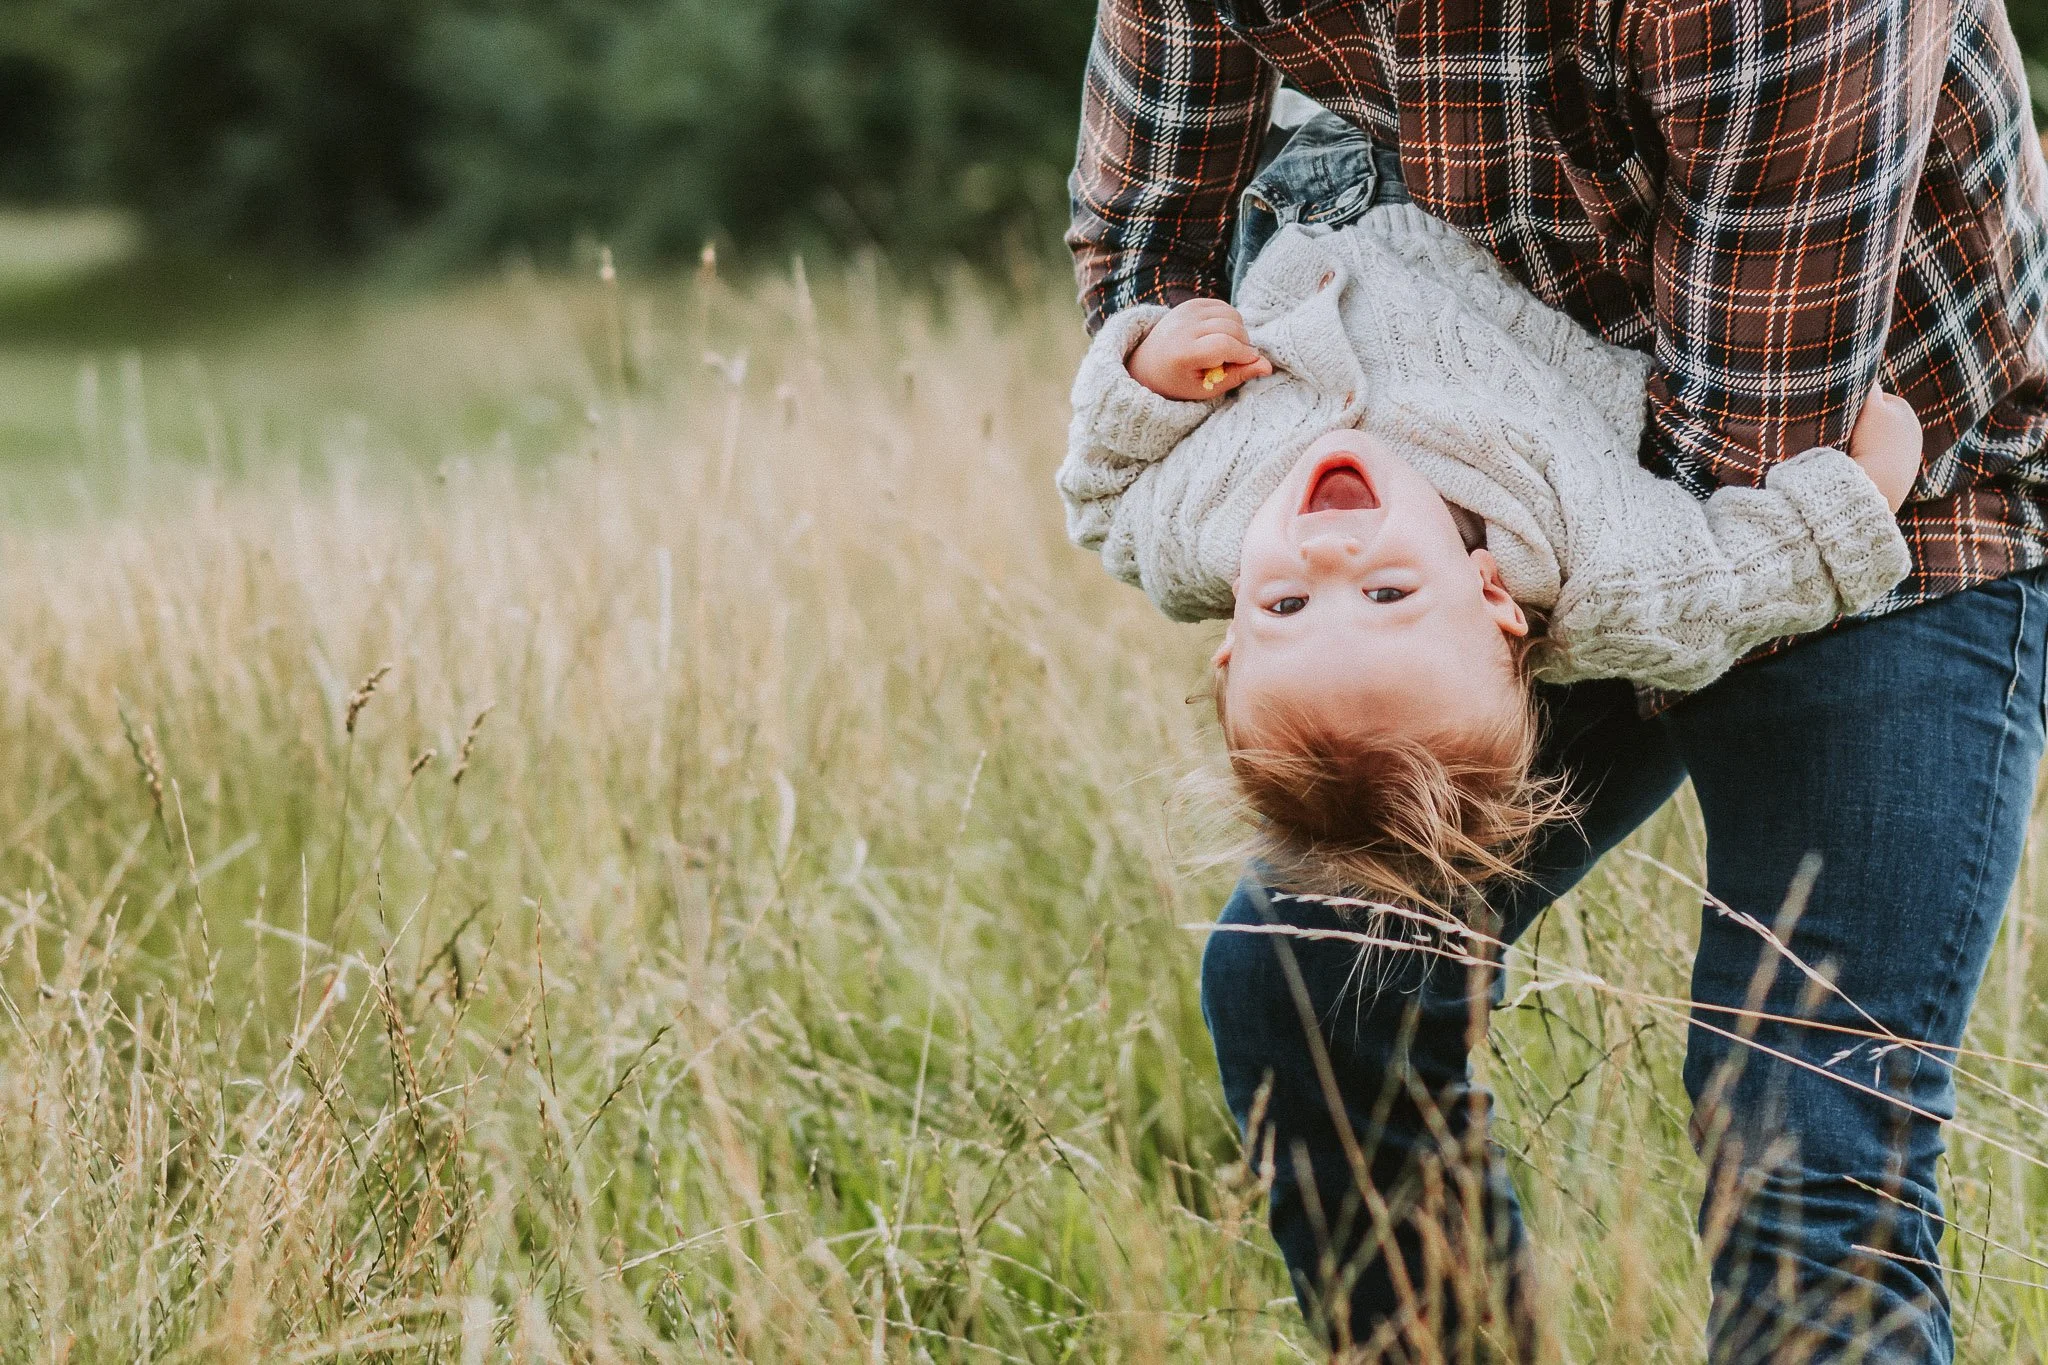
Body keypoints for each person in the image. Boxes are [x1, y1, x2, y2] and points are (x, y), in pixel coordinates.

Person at [1067, 2, 2048, 1360]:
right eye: (1287, 599)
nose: (1314, 556)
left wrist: (1474, 596)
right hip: (1514, 526)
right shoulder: (1254, 535)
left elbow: (1743, 487)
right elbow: (1142, 264)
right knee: (1313, 968)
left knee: (1803, 1126)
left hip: (1868, 474)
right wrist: (1156, 368)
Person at [1059, 118, 1920, 905]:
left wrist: (1148, 373)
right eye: (1387, 593)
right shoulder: (1595, 567)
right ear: (1493, 599)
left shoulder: (1197, 536)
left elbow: (1100, 496)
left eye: (1286, 606)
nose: (1328, 559)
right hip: (1522, 187)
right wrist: (1855, 500)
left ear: (1233, 635)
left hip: (1301, 170)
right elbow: (1729, 590)